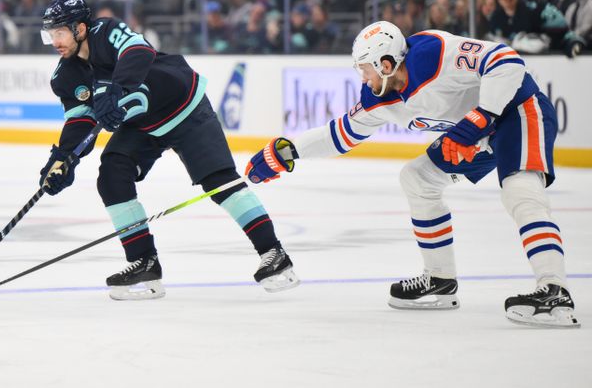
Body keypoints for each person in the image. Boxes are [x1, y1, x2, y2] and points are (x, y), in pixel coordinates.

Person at [244, 21, 580, 328]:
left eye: (365, 70)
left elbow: (506, 61)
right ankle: (440, 280)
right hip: (475, 136)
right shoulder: (379, 98)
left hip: (518, 110)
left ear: (385, 65)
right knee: (417, 179)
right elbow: (341, 135)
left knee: (520, 190)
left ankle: (554, 290)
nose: (363, 78)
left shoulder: (434, 53)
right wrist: (288, 152)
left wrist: (481, 116)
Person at [37, 0, 299, 300]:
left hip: (184, 106)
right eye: (50, 34)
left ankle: (274, 254)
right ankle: (143, 262)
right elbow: (79, 121)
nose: (54, 41)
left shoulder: (106, 32)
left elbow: (138, 50)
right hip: (143, 125)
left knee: (219, 182)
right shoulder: (65, 76)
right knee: (111, 175)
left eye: (59, 32)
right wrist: (64, 159)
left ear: (79, 28)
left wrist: (118, 87)